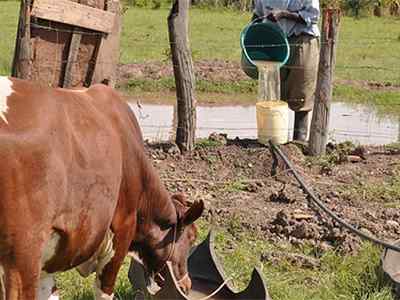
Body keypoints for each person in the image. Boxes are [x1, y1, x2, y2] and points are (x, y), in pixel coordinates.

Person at [252, 0, 320, 141]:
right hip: (274, 40)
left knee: (301, 91)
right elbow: (257, 15)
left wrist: (284, 14)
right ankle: (275, 138)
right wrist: (253, 31)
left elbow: (313, 16)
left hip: (302, 39)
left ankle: (298, 141)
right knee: (274, 91)